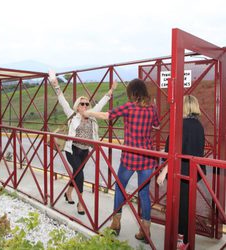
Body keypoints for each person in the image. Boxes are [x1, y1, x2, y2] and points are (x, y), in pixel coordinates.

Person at [83, 78, 160, 243]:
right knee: (144, 193)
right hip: (147, 158)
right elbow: (156, 126)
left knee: (120, 187)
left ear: (132, 93)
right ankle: (145, 231)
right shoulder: (152, 109)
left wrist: (88, 113)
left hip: (130, 158)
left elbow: (106, 115)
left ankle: (116, 224)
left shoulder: (129, 107)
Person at [48, 70, 117, 215]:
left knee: (76, 173)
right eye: (82, 104)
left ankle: (68, 193)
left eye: (87, 104)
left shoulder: (92, 115)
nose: (85, 106)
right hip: (72, 150)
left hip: (85, 150)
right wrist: (56, 86)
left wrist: (111, 91)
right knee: (80, 175)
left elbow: (102, 104)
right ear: (77, 106)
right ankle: (80, 203)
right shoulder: (72, 115)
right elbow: (62, 100)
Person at [157, 95, 205, 249]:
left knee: (179, 206)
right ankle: (186, 238)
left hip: (180, 171)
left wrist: (164, 170)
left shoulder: (180, 125)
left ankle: (180, 239)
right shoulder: (199, 125)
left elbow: (174, 151)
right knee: (187, 204)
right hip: (194, 171)